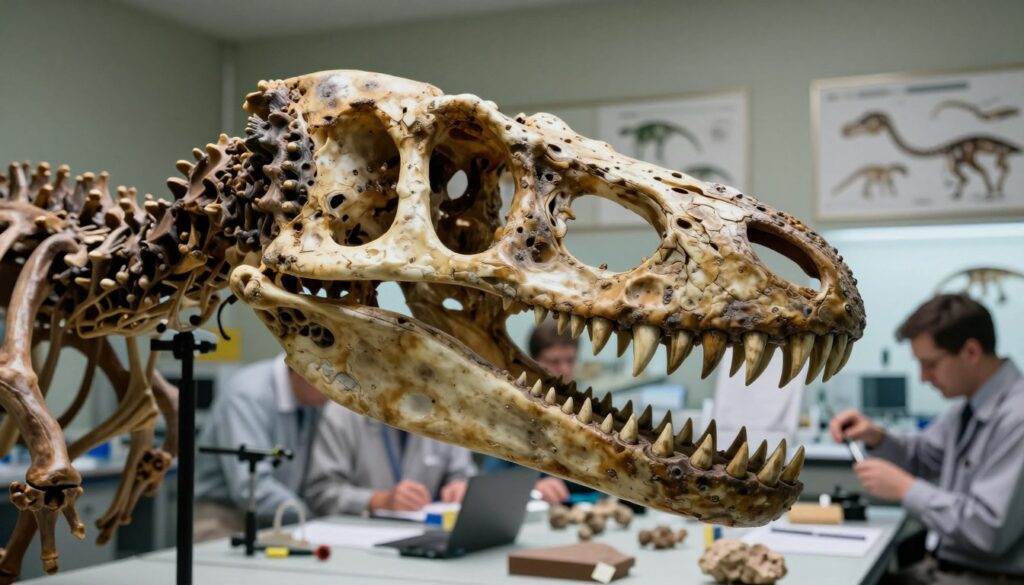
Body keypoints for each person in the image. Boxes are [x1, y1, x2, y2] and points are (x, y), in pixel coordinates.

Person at [829, 294, 1024, 583]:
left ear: (971, 351)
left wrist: (905, 489)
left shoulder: (1017, 418)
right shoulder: (967, 408)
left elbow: (987, 530)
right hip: (944, 567)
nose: (923, 377)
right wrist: (877, 437)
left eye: (930, 364)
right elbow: (924, 454)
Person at [194, 355, 328, 541]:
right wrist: (309, 516)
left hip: (277, 517)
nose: (335, 394)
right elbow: (250, 486)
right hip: (224, 517)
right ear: (301, 371)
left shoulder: (309, 400)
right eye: (330, 383)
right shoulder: (247, 395)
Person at [302, 401, 477, 516]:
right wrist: (379, 500)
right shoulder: (342, 411)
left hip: (429, 537)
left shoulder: (444, 412)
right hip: (362, 539)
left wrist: (461, 489)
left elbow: (463, 474)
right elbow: (321, 493)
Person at [482, 320, 573, 505]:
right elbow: (489, 482)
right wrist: (533, 488)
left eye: (570, 360)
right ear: (533, 364)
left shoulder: (583, 415)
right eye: (554, 361)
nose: (564, 369)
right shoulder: (512, 414)